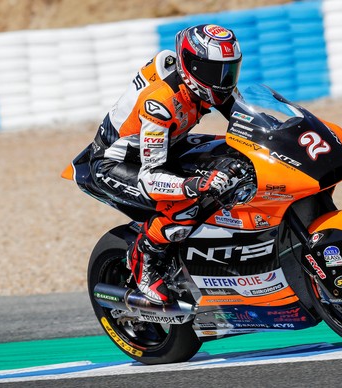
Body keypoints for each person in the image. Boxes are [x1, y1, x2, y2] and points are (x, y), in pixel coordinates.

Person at [87, 24, 244, 305]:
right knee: (188, 203)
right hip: (117, 164)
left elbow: (245, 121)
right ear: (190, 67)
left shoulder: (204, 84)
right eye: (213, 72)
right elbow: (152, 176)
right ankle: (145, 261)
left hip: (167, 148)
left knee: (238, 156)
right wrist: (194, 184)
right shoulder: (159, 104)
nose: (223, 80)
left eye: (229, 71)